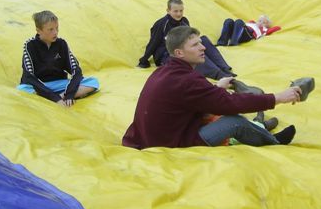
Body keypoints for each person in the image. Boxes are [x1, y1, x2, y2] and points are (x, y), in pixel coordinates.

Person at [122, 26, 305, 149]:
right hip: (170, 142)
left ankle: (260, 127)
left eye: (201, 42)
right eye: (195, 45)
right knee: (234, 121)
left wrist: (217, 87)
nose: (203, 48)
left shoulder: (166, 71)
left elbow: (195, 96)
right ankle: (273, 141)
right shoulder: (186, 80)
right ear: (179, 53)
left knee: (213, 112)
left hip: (148, 137)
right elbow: (229, 103)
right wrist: (278, 98)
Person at [137, 0, 235, 80]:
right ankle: (218, 74)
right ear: (168, 11)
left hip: (183, 50)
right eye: (175, 11)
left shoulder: (184, 21)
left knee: (203, 40)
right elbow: (153, 43)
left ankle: (224, 68)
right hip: (167, 55)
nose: (179, 14)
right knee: (191, 53)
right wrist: (144, 60)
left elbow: (192, 39)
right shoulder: (161, 24)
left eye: (181, 11)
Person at [17, 10, 99, 107]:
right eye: (50, 29)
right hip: (40, 85)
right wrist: (55, 98)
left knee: (93, 82)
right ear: (39, 31)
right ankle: (53, 97)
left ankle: (58, 96)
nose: (55, 32)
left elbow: (76, 70)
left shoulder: (61, 44)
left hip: (60, 84)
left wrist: (68, 94)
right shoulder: (30, 45)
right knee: (22, 89)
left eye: (57, 28)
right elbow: (29, 77)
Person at [216, 15, 281, 46]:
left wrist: (268, 26)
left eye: (264, 23)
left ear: (266, 25)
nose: (261, 23)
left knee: (239, 21)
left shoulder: (265, 30)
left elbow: (277, 28)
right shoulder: (252, 23)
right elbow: (249, 22)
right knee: (229, 21)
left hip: (247, 34)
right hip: (237, 31)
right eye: (260, 21)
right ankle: (222, 42)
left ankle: (234, 42)